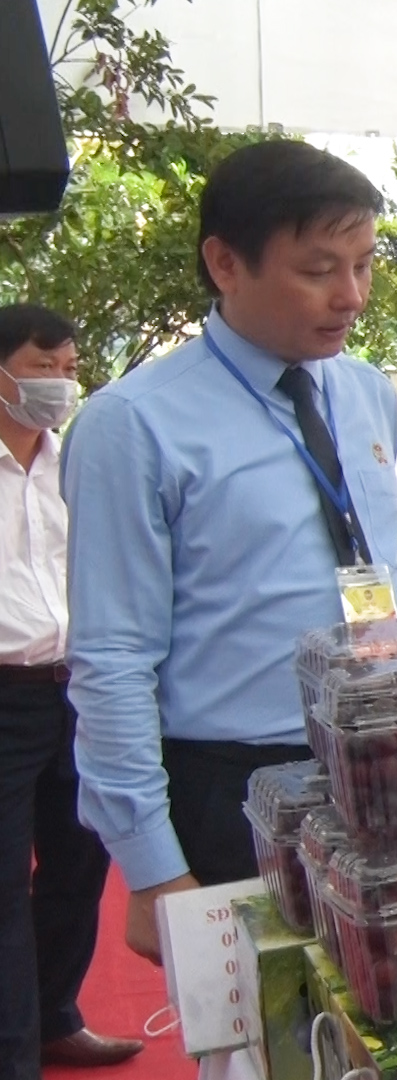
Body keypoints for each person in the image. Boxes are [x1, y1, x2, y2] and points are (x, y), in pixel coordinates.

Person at [62, 140, 397, 964]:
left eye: (363, 265)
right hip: (239, 786)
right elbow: (111, 659)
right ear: (225, 262)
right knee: (269, 1039)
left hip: (386, 762)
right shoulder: (135, 424)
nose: (351, 295)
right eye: (320, 269)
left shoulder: (364, 392)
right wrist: (153, 872)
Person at [0, 307, 142, 1075]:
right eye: (39, 365)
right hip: (3, 692)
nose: (57, 383)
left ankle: (55, 1014)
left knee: (80, 865)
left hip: (76, 689)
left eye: (67, 368)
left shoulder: (75, 462)